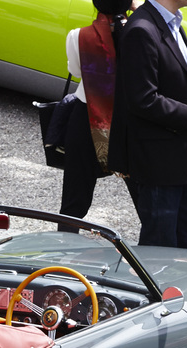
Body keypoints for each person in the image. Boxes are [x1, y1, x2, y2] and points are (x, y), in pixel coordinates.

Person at [108, 0, 187, 249]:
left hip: (183, 153)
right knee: (160, 244)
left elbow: (181, 77)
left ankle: (177, 287)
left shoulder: (172, 22)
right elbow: (141, 98)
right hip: (159, 159)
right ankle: (154, 290)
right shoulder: (141, 29)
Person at [61, 0, 128, 219]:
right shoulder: (139, 34)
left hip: (87, 115)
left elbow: (76, 71)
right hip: (126, 118)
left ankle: (66, 245)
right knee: (144, 195)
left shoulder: (77, 36)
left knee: (74, 199)